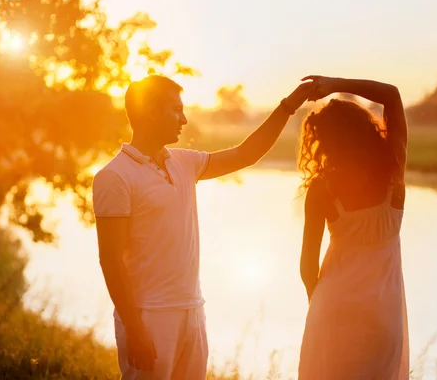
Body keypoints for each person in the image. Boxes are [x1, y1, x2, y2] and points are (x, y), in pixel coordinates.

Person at [92, 74, 314, 379]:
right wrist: (135, 327)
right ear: (151, 113)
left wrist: (288, 106)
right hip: (149, 316)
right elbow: (111, 259)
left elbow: (246, 154)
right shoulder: (114, 176)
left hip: (193, 311)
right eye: (175, 110)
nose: (184, 119)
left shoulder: (184, 162)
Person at [296, 75, 409, 379]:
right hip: (383, 315)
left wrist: (317, 304)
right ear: (365, 130)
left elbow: (308, 263)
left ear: (325, 141)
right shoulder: (393, 170)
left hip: (332, 308)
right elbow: (392, 95)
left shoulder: (321, 189)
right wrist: (336, 83)